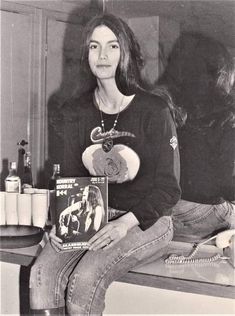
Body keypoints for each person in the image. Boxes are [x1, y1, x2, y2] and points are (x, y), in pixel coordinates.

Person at [29, 13, 181, 315]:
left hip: (147, 220)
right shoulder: (75, 110)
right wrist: (61, 221)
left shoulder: (154, 109)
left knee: (83, 282)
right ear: (85, 54)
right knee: (41, 276)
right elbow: (70, 176)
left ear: (125, 52)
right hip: (92, 217)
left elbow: (169, 189)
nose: (102, 55)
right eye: (94, 47)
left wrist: (123, 224)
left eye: (112, 46)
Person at [158, 32, 235, 242]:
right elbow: (227, 184)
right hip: (203, 213)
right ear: (222, 72)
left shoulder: (164, 104)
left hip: (163, 213)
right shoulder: (226, 113)